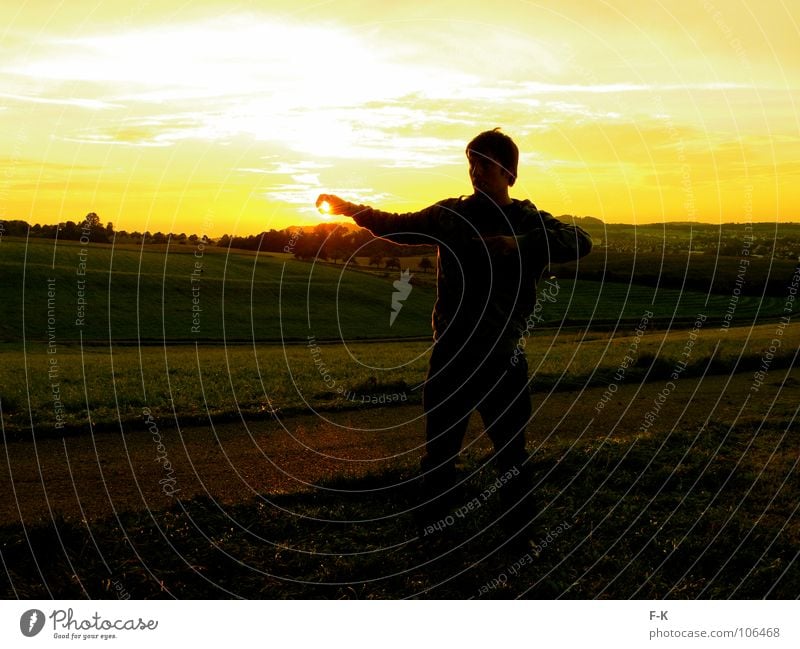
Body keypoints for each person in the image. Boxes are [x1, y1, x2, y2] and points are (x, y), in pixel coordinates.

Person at [316, 128, 592, 539]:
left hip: (503, 356)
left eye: (485, 164)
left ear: (509, 173)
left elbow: (581, 241)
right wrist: (351, 208)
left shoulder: (529, 220)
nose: (476, 172)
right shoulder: (449, 215)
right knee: (440, 455)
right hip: (451, 355)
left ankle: (520, 533)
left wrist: (517, 244)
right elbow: (395, 226)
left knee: (511, 454)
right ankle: (434, 532)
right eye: (471, 163)